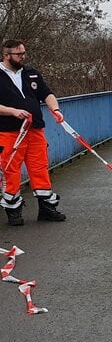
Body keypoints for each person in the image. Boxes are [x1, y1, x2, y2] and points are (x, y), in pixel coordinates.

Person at [0, 39, 67, 225]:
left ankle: (47, 208)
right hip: (9, 132)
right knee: (10, 171)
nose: (23, 57)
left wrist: (56, 110)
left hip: (35, 130)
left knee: (40, 168)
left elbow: (47, 94)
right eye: (19, 54)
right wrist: (12, 111)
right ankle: (13, 211)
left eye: (24, 53)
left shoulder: (31, 74)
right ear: (6, 55)